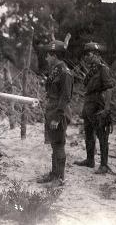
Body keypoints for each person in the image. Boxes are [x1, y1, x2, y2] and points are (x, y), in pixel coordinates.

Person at [37, 40, 73, 187]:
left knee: (59, 144)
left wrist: (57, 118)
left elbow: (65, 97)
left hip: (59, 112)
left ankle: (60, 178)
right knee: (54, 144)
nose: (46, 59)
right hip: (51, 110)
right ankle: (54, 174)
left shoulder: (65, 73)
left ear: (54, 55)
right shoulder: (56, 71)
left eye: (48, 56)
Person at [74, 42, 114, 174]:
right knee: (88, 133)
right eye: (85, 54)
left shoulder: (103, 69)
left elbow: (109, 89)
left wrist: (107, 108)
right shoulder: (92, 70)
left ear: (96, 54)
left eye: (88, 54)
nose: (86, 57)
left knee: (102, 135)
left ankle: (103, 165)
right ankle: (90, 160)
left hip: (98, 105)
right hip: (89, 105)